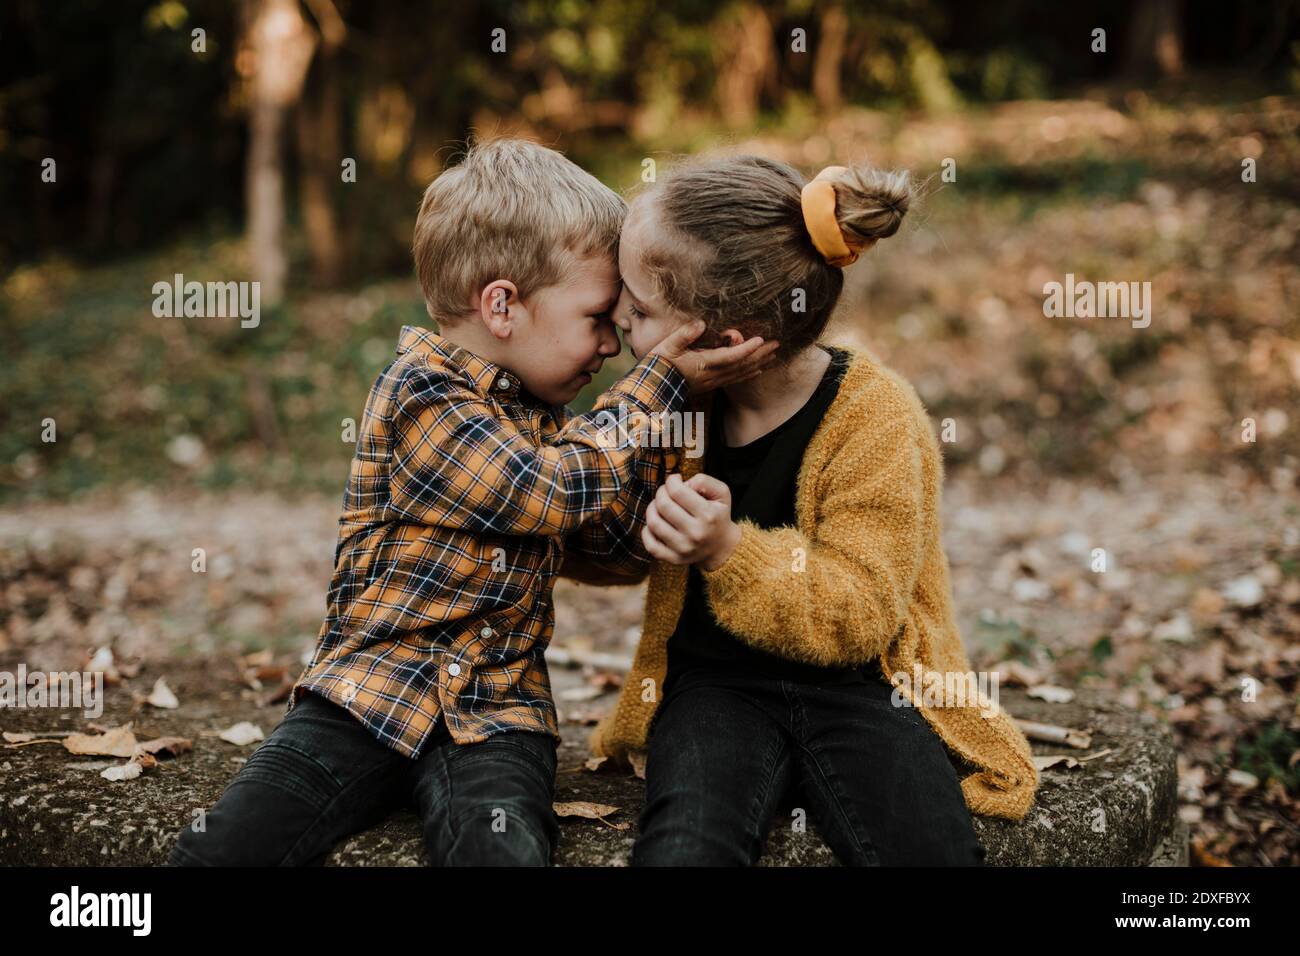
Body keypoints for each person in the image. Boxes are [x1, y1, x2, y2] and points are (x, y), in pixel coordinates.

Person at [589, 155, 1040, 866]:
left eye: (640, 311)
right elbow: (600, 536)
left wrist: (728, 552)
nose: (618, 321)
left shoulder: (878, 420)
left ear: (726, 343)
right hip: (714, 690)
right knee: (684, 845)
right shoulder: (673, 405)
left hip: (862, 690)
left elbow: (861, 613)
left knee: (929, 845)